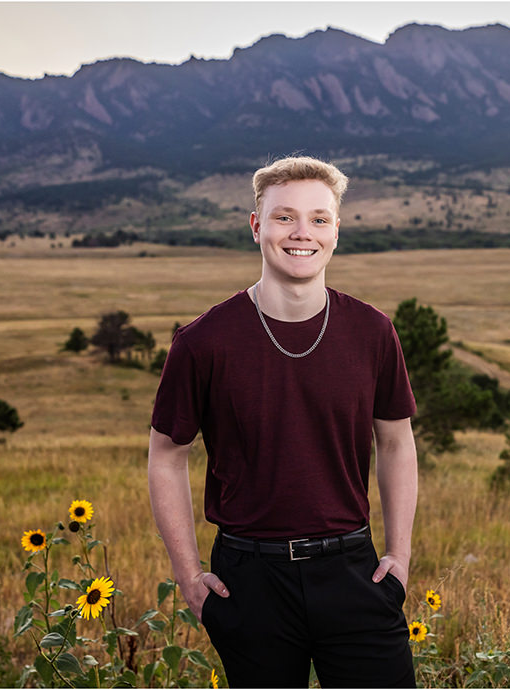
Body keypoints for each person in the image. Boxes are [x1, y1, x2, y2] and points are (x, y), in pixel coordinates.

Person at [147, 156, 419, 688]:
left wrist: (400, 557)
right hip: (248, 580)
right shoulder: (204, 342)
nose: (302, 233)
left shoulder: (372, 332)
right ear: (256, 226)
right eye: (283, 217)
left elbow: (395, 443)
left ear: (336, 230)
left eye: (319, 219)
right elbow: (166, 453)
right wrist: (187, 577)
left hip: (354, 571)